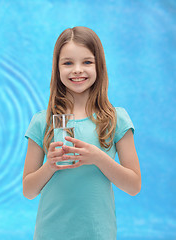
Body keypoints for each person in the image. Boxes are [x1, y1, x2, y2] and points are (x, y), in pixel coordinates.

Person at [22, 26, 141, 240]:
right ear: (57, 68)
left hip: (98, 233)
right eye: (68, 63)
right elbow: (28, 191)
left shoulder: (116, 119)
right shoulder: (43, 122)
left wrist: (97, 157)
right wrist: (50, 165)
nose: (77, 70)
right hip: (51, 233)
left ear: (99, 67)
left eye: (87, 62)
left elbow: (133, 186)